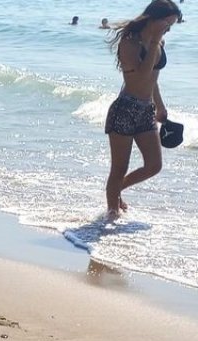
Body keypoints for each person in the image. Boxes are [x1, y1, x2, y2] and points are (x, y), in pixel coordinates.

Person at [104, 0, 182, 218]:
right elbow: (141, 76)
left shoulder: (159, 42)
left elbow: (153, 79)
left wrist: (160, 106)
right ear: (153, 18)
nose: (167, 29)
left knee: (154, 165)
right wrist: (155, 40)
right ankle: (111, 215)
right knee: (118, 169)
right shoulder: (129, 43)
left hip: (146, 110)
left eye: (171, 26)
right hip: (125, 110)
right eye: (166, 24)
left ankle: (117, 190)